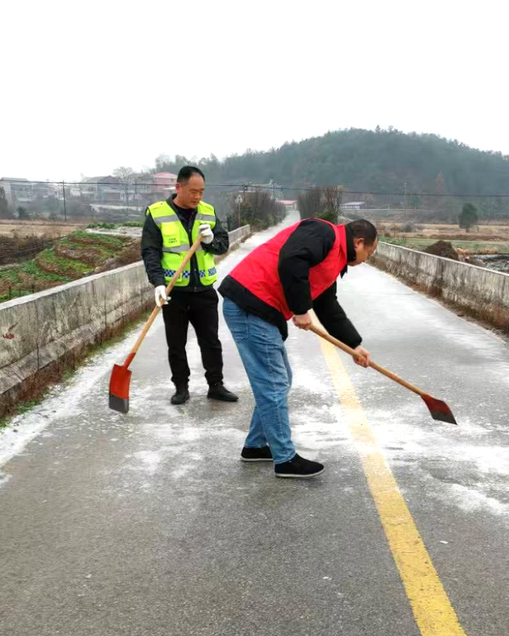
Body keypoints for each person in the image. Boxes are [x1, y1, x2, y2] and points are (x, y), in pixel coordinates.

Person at [218, 217, 378, 478]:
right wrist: (301, 309)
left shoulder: (333, 259)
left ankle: (255, 445)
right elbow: (292, 260)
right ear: (359, 242)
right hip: (251, 303)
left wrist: (354, 345)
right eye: (369, 253)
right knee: (274, 383)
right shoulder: (324, 233)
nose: (365, 260)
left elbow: (327, 306)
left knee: (280, 381)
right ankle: (285, 459)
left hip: (259, 308)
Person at [141, 166, 239, 405]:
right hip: (174, 292)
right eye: (193, 191)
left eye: (201, 191)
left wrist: (210, 240)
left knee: (211, 341)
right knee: (176, 344)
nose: (198, 196)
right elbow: (150, 252)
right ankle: (181, 388)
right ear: (178, 187)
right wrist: (158, 283)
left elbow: (222, 244)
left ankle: (215, 385)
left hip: (204, 291)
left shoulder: (208, 212)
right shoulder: (157, 214)